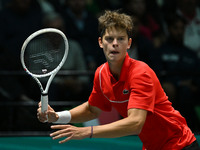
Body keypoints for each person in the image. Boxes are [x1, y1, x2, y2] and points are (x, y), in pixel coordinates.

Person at [37, 10, 199, 150]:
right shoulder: (101, 74)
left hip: (179, 144)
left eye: (121, 39)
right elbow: (92, 109)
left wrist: (86, 132)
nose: (115, 44)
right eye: (109, 39)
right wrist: (58, 116)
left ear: (129, 43)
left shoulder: (140, 73)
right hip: (153, 146)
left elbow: (136, 123)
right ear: (101, 43)